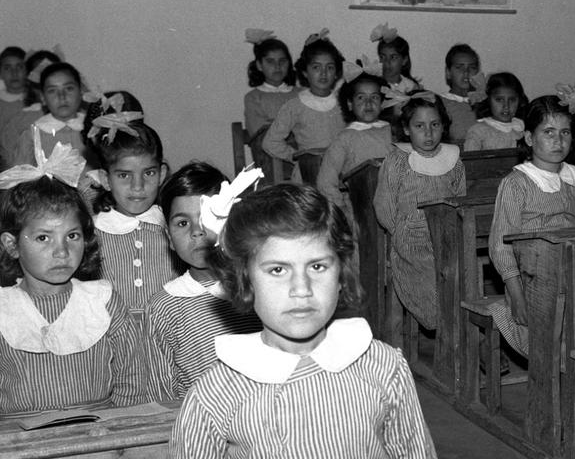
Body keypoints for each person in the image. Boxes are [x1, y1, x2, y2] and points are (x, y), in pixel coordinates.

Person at [169, 183, 437, 457]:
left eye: (317, 266)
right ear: (244, 280)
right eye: (277, 269)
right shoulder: (215, 395)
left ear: (341, 276)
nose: (302, 288)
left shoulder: (384, 367)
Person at [0, 145, 144, 417]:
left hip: (99, 433)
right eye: (43, 238)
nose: (61, 251)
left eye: (72, 236)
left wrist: (120, 432)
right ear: (12, 245)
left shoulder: (102, 301)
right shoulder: (3, 309)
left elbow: (132, 378)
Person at [142, 162, 262, 401]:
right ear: (168, 237)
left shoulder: (259, 286)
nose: (197, 231)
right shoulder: (163, 307)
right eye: (182, 223)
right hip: (201, 428)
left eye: (209, 216)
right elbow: (161, 392)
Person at [488, 94, 575, 356]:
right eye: (548, 132)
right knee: (544, 348)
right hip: (531, 276)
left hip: (573, 272)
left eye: (565, 132)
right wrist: (516, 292)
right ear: (528, 138)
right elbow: (501, 246)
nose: (558, 141)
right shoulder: (517, 183)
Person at [373, 92, 466, 337]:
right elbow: (384, 206)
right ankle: (448, 328)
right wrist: (402, 230)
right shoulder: (397, 161)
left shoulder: (454, 161)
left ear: (443, 127)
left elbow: (461, 198)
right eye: (419, 126)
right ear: (406, 128)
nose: (428, 133)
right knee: (431, 284)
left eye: (434, 125)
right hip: (411, 241)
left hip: (447, 239)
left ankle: (463, 334)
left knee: (461, 279)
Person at [86, 93, 178, 315]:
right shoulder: (93, 231)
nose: (138, 187)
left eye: (148, 173)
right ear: (106, 180)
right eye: (124, 176)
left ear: (162, 173)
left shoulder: (173, 227)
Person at [262, 35, 346, 170]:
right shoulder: (294, 106)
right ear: (305, 71)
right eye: (316, 67)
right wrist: (298, 157)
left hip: (341, 174)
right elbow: (270, 142)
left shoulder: (345, 104)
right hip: (309, 176)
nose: (323, 73)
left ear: (336, 72)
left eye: (329, 67)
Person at [316, 73, 392, 219]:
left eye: (375, 97)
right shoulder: (345, 138)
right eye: (361, 98)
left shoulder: (393, 131)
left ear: (383, 103)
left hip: (394, 205)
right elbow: (325, 182)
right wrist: (342, 210)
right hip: (360, 209)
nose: (368, 103)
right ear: (350, 104)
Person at [12, 62, 89, 167]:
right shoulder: (33, 135)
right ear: (43, 98)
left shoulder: (94, 131)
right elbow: (20, 174)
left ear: (81, 91)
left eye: (69, 88)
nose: (62, 96)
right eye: (52, 91)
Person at [242, 30, 299, 143]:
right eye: (270, 62)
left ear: (289, 64)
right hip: (268, 155)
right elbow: (259, 132)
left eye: (282, 61)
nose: (277, 67)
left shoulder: (301, 94)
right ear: (259, 65)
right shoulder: (253, 98)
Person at [463, 72, 527, 151]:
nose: (506, 106)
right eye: (499, 100)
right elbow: (470, 161)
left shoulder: (522, 129)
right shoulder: (478, 131)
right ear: (488, 100)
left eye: (512, 100)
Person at [439, 43, 481, 142]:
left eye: (472, 68)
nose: (466, 72)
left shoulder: (486, 102)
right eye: (459, 67)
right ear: (448, 73)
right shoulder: (440, 103)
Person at [374, 23, 420, 93]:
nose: (387, 62)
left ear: (404, 60)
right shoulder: (375, 85)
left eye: (393, 57)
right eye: (383, 57)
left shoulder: (411, 87)